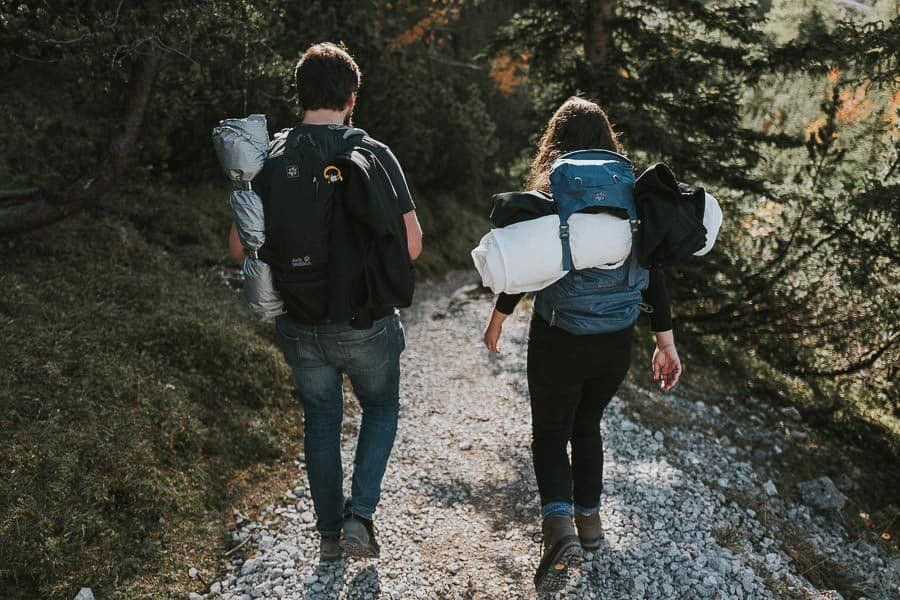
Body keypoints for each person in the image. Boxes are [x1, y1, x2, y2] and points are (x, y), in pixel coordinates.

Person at [229, 42, 423, 562]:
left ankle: (328, 536)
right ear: (351, 99)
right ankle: (360, 517)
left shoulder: (269, 155)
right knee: (380, 406)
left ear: (299, 95)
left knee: (321, 421)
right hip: (365, 322)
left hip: (297, 319)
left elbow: (238, 245)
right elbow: (412, 245)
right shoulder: (374, 152)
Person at [482, 98, 682, 592]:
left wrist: (497, 319)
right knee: (587, 425)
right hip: (615, 343)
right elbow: (653, 273)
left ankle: (558, 530)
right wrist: (666, 342)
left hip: (559, 337)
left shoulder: (554, 192)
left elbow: (526, 267)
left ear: (556, 142)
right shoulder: (634, 198)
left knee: (550, 433)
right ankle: (589, 525)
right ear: (608, 142)